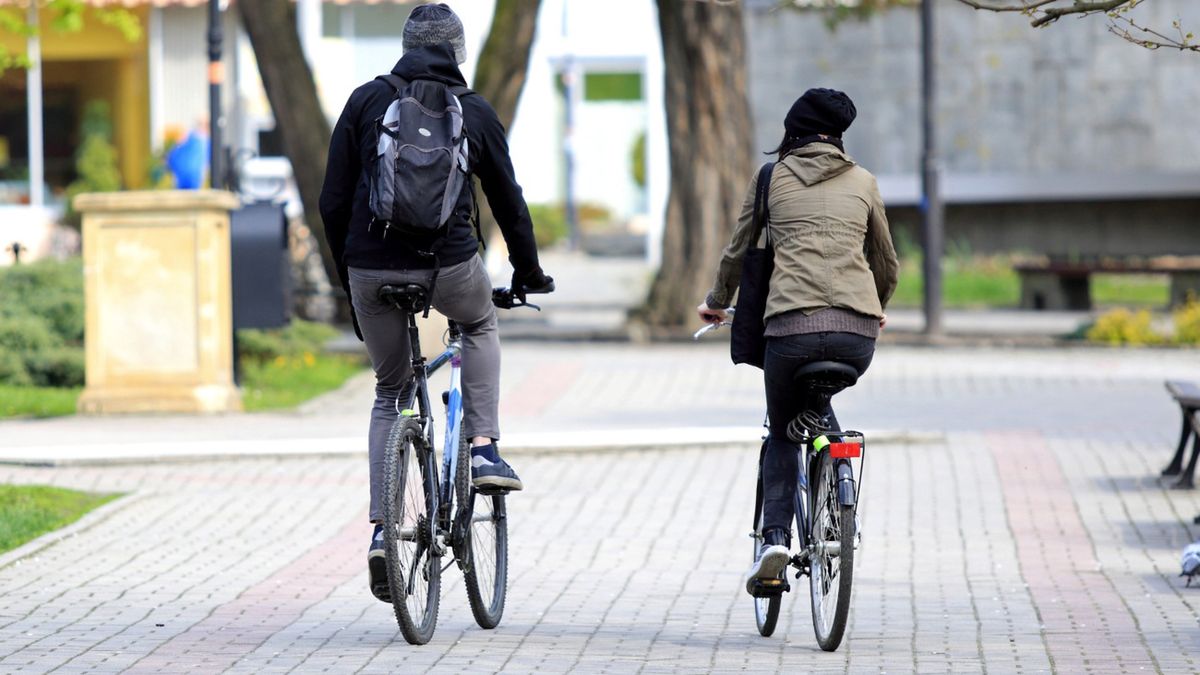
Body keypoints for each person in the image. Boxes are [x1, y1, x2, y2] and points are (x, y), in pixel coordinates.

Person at [318, 3, 554, 602]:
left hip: (369, 268)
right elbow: (508, 199)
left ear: (403, 46)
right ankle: (482, 450)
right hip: (448, 265)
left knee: (390, 392)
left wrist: (348, 276)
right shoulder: (471, 110)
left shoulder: (366, 102)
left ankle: (380, 532)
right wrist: (529, 273)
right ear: (458, 52)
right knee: (478, 323)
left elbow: (331, 201)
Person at [696, 88, 899, 593]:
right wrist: (877, 308)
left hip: (790, 332)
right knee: (815, 410)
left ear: (793, 130)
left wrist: (717, 300)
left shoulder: (770, 179)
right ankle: (834, 470)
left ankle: (773, 541)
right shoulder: (864, 181)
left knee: (784, 432)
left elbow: (738, 251)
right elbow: (886, 263)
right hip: (857, 338)